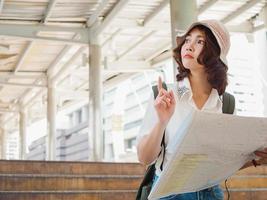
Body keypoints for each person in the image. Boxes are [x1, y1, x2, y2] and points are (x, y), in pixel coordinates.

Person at [136, 19, 267, 200]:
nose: (188, 47)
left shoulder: (226, 104)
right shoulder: (164, 95)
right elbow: (144, 158)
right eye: (187, 40)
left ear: (216, 54)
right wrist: (162, 121)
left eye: (199, 41)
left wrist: (255, 159)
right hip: (170, 194)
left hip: (211, 193)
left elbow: (222, 161)